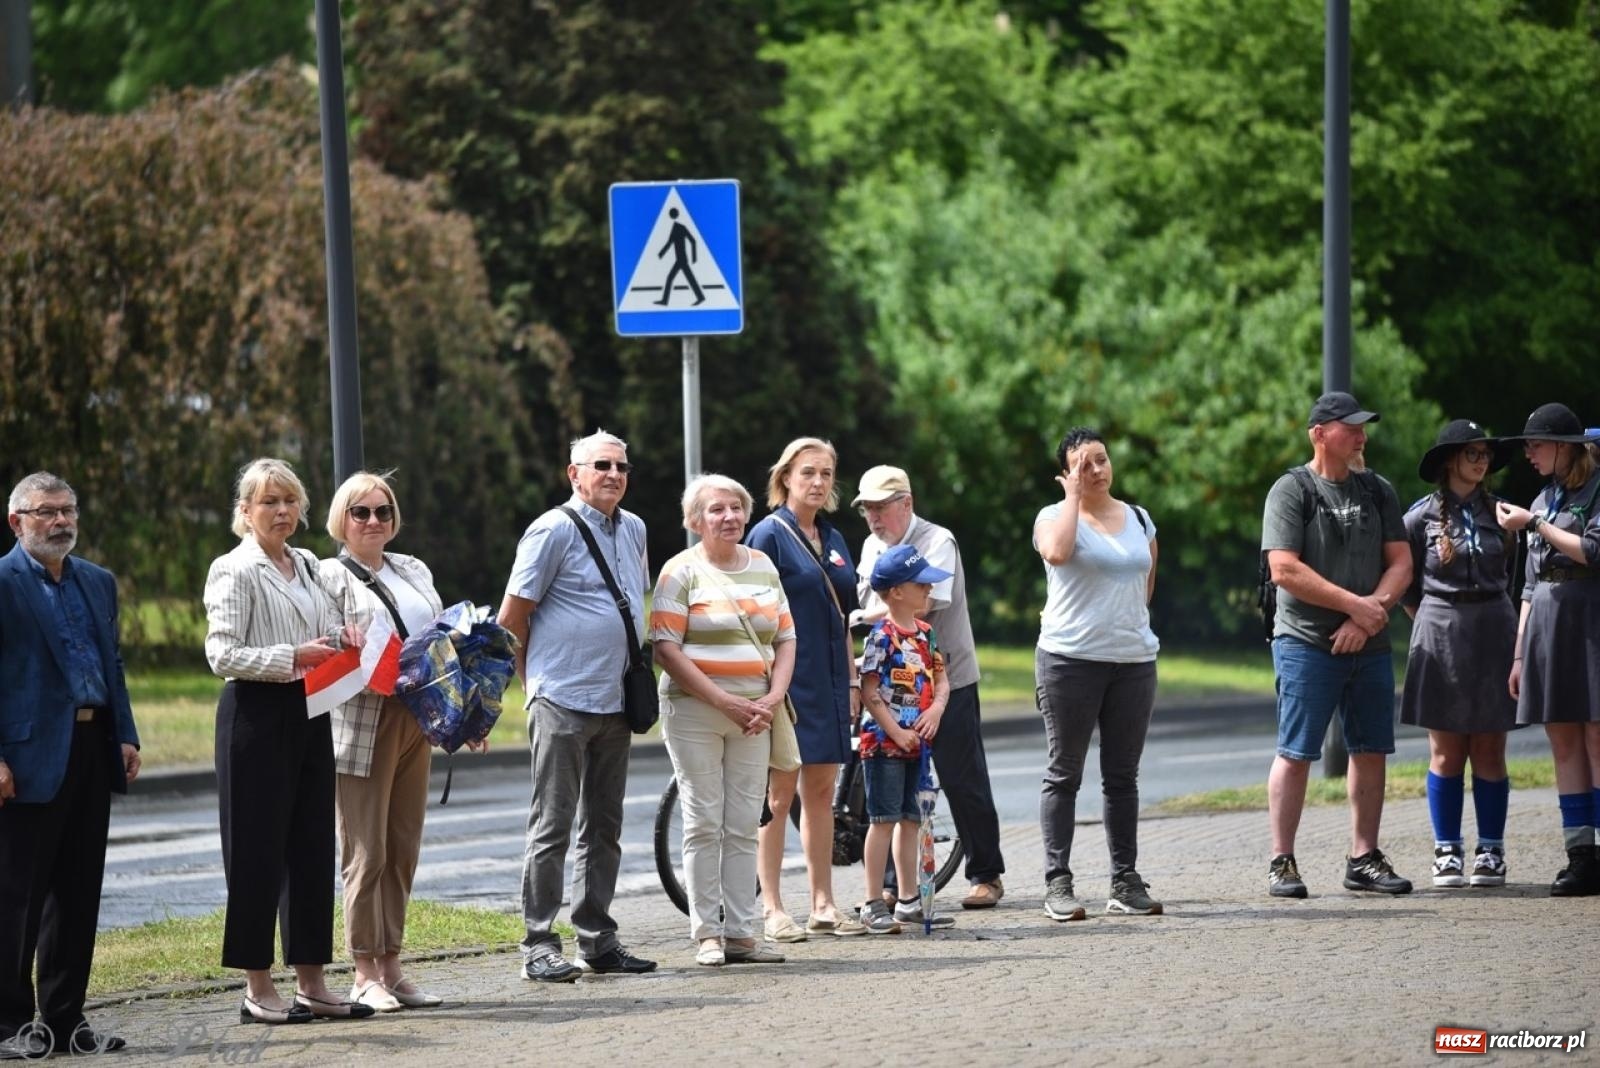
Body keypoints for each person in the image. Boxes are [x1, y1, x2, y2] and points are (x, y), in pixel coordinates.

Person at [203, 458, 375, 1024]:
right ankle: (257, 986)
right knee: (256, 852)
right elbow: (221, 654)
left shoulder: (306, 564)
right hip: (254, 714)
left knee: (309, 847)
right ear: (245, 512)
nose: (281, 511)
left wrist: (339, 637)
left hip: (309, 709)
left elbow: (323, 626)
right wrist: (290, 657)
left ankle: (312, 981)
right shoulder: (234, 569)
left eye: (290, 500)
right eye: (268, 502)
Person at [497, 430, 657, 980]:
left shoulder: (634, 528)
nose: (613, 474)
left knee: (604, 825)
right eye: (601, 465)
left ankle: (596, 938)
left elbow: (635, 599)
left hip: (616, 700)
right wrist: (533, 685)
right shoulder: (550, 530)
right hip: (562, 699)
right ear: (574, 474)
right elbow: (512, 618)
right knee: (553, 825)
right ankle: (538, 943)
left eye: (621, 466)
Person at [0, 473, 140, 1058]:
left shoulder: (97, 582)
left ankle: (63, 1020)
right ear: (17, 521)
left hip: (90, 751)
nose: (60, 522)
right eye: (46, 512)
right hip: (24, 758)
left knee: (78, 895)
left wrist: (125, 735)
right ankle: (7, 1026)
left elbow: (113, 664)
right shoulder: (3, 584)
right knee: (16, 899)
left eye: (68, 511)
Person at [1261, 392, 1413, 899]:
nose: (1362, 436)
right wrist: (1357, 606)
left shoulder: (1378, 490)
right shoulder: (1291, 490)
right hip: (1306, 641)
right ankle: (1282, 861)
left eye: (1363, 428)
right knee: (1296, 751)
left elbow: (1401, 563)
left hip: (1367, 642)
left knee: (1371, 749)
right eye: (1351, 427)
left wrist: (1369, 617)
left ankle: (1363, 858)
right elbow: (1283, 569)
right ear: (1320, 433)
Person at [650, 475, 794, 966]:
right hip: (695, 713)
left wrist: (773, 697)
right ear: (695, 520)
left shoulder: (764, 566)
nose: (728, 516)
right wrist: (723, 701)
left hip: (755, 713)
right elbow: (666, 649)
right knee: (703, 820)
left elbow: (786, 638)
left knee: (742, 823)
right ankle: (707, 933)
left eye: (736, 507)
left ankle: (741, 932)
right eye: (716, 510)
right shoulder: (678, 572)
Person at [318, 473, 449, 1011]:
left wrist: (460, 714)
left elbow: (439, 638)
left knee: (402, 846)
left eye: (384, 511)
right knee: (364, 849)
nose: (374, 522)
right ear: (341, 519)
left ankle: (393, 965)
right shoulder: (326, 573)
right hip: (363, 720)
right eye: (361, 512)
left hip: (416, 717)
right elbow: (325, 645)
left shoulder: (412, 568)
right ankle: (363, 969)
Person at [852, 465, 1007, 909]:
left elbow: (921, 606)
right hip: (892, 689)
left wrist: (860, 618)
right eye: (868, 510)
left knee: (963, 777)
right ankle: (890, 887)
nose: (875, 518)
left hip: (946, 678)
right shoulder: (870, 546)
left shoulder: (938, 541)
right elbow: (875, 602)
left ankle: (986, 874)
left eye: (882, 507)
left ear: (907, 503)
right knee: (890, 791)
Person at [1033, 428, 1164, 920]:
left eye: (1102, 460)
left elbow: (1144, 584)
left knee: (1122, 777)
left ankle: (1124, 880)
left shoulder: (1140, 518)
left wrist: (1122, 627)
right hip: (1069, 660)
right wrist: (1072, 498)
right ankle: (1057, 882)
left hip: (1133, 661)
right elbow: (1058, 553)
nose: (1096, 470)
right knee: (1065, 771)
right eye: (1084, 464)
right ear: (1066, 473)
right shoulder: (1052, 516)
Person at [746, 437, 866, 940]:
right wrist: (768, 685)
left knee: (821, 791)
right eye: (808, 473)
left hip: (832, 677)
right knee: (778, 794)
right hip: (786, 680)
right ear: (786, 477)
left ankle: (823, 903)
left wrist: (855, 678)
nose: (818, 482)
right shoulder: (767, 535)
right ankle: (772, 907)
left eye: (826, 473)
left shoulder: (834, 537)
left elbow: (844, 615)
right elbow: (750, 616)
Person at [1400, 421, 1520, 889]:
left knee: (1490, 747)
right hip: (1441, 632)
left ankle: (1491, 850)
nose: (1481, 460)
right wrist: (1430, 622)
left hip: (1495, 629)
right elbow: (1406, 585)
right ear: (1450, 459)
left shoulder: (1505, 515)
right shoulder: (1419, 518)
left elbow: (1516, 577)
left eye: (1485, 453)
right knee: (1446, 750)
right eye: (1471, 452)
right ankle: (1446, 849)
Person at [1493, 402, 1600, 896]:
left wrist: (1535, 525)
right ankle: (1580, 854)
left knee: (1597, 737)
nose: (1529, 454)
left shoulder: (1594, 491)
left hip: (1590, 621)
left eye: (1536, 445)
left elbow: (1593, 551)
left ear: (1564, 447)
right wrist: (1519, 655)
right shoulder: (1542, 498)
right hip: (1549, 626)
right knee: (1562, 738)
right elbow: (1530, 587)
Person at [856, 544, 956, 935]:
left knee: (912, 821)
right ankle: (871, 902)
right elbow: (869, 690)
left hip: (920, 742)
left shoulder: (927, 634)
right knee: (883, 820)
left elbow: (941, 679)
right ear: (896, 591)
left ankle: (909, 900)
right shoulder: (881, 636)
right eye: (921, 584)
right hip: (884, 744)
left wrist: (935, 712)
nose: (929, 590)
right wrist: (896, 731)